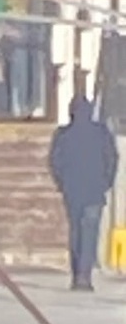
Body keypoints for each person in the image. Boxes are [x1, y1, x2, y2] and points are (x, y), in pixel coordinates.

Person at [49, 93, 118, 292]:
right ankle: (84, 276)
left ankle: (76, 274)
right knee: (89, 233)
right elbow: (112, 159)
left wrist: (62, 183)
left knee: (76, 232)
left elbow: (55, 162)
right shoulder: (101, 133)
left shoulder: (63, 135)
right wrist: (106, 182)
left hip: (73, 190)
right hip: (95, 190)